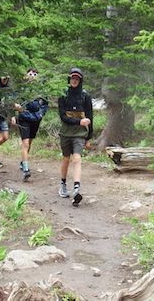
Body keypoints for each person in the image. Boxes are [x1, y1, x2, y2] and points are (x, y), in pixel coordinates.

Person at [57, 67, 93, 206]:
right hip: (66, 132)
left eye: (77, 79)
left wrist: (89, 137)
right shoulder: (63, 95)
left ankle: (77, 187)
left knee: (77, 158)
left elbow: (90, 117)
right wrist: (79, 121)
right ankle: (63, 184)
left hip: (80, 134)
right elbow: (63, 117)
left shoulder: (85, 96)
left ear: (80, 80)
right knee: (66, 159)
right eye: (72, 78)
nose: (74, 81)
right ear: (69, 79)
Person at [12, 68, 48, 181]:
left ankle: (23, 162)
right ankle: (26, 170)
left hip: (36, 120)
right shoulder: (21, 89)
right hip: (24, 119)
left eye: (35, 74)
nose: (33, 76)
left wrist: (41, 114)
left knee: (30, 142)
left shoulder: (41, 91)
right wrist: (15, 113)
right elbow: (14, 101)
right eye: (31, 73)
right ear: (26, 75)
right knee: (25, 143)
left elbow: (45, 105)